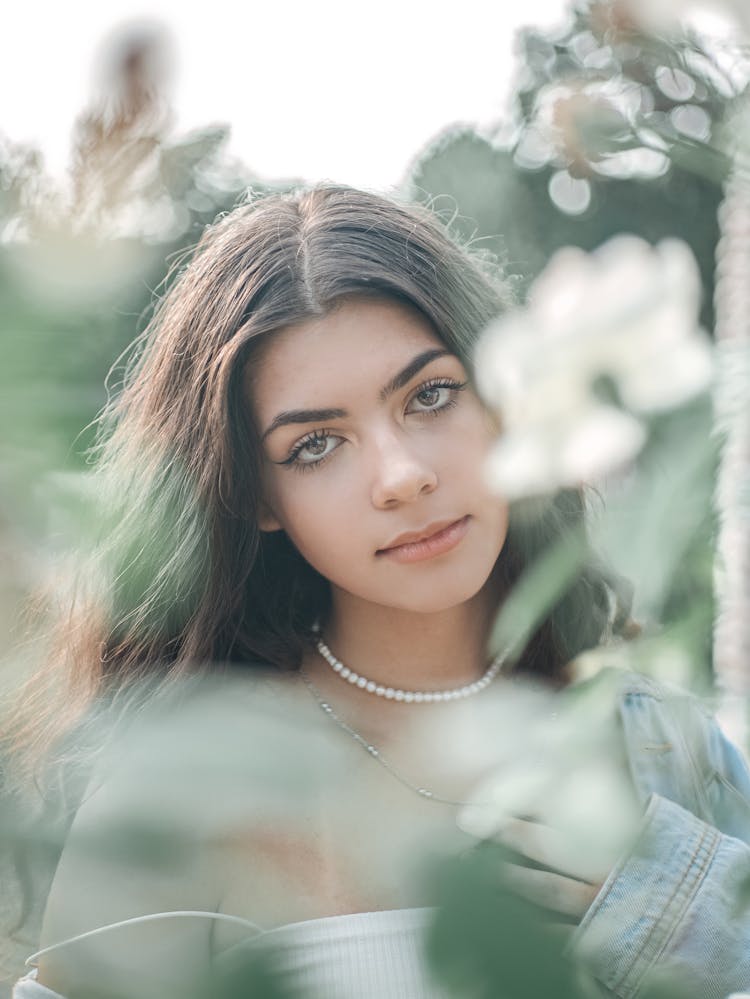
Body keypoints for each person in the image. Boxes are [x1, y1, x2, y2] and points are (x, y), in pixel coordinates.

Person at [6, 184, 750, 999]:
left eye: (431, 394)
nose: (402, 476)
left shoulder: (668, 746)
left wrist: (684, 911)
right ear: (256, 497)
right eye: (317, 444)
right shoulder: (187, 796)